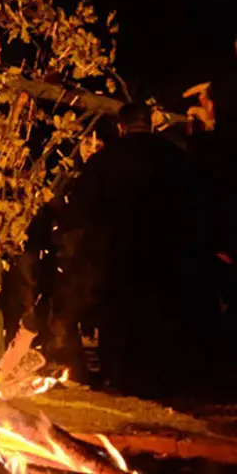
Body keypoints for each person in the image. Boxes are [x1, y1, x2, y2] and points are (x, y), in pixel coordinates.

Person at [56, 102, 220, 397]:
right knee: (160, 312)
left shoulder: (104, 161)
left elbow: (81, 207)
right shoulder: (176, 158)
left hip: (116, 251)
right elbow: (199, 201)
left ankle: (120, 376)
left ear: (121, 127)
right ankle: (165, 376)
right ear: (151, 124)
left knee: (120, 316)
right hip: (166, 249)